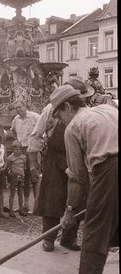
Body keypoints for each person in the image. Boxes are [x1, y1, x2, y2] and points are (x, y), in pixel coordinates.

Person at [49, 85, 118, 274]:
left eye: (59, 114)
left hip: (110, 169)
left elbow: (77, 178)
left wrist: (69, 211)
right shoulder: (108, 110)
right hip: (110, 167)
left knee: (95, 230)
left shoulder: (73, 127)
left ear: (68, 106)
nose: (60, 120)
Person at [28, 76, 95, 252]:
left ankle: (68, 238)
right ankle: (49, 238)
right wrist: (34, 163)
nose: (81, 100)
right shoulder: (52, 109)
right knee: (52, 199)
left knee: (77, 199)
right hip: (54, 158)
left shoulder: (85, 111)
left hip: (77, 158)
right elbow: (36, 135)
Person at [10, 100, 40, 216]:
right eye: (16, 108)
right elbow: (12, 131)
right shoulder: (16, 119)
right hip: (21, 150)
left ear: (25, 106)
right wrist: (16, 140)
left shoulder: (34, 116)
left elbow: (42, 130)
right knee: (24, 178)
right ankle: (26, 205)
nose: (18, 109)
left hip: (32, 150)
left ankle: (37, 205)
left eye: (20, 107)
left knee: (34, 177)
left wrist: (37, 143)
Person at [7, 140, 27, 217]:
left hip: (21, 176)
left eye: (17, 149)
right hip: (13, 176)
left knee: (20, 193)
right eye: (14, 149)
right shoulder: (10, 158)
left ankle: (21, 209)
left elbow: (24, 167)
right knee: (12, 193)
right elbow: (8, 168)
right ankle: (11, 210)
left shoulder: (23, 157)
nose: (16, 151)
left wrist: (23, 175)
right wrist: (10, 176)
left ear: (20, 149)